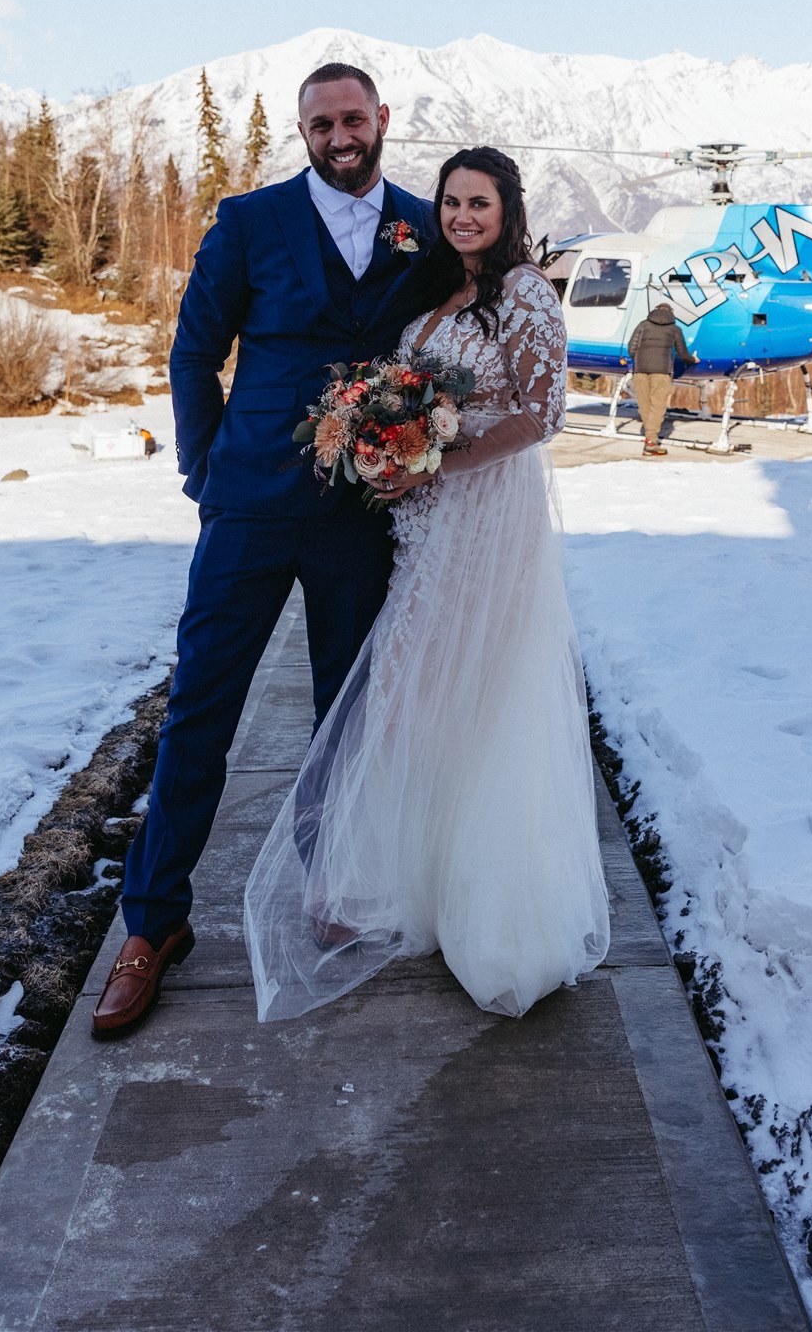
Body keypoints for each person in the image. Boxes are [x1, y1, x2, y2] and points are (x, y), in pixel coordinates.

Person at [93, 63, 436, 1040]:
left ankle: (331, 883)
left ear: (381, 120)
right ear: (302, 128)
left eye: (354, 117)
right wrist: (204, 473)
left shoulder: (418, 223)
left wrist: (416, 445)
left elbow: (434, 351)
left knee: (346, 711)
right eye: (322, 120)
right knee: (200, 708)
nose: (340, 133)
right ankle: (152, 928)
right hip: (245, 504)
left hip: (357, 514)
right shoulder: (247, 220)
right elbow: (193, 351)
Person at [243, 147, 610, 1020]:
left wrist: (438, 464)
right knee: (415, 683)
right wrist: (382, 438)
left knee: (460, 682)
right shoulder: (441, 287)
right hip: (426, 521)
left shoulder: (523, 293)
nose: (462, 216)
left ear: (507, 208)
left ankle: (486, 901)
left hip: (484, 514)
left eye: (478, 203)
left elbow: (541, 412)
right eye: (451, 202)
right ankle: (406, 875)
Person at [626, 301, 694, 456]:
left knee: (645, 405)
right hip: (661, 372)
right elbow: (683, 353)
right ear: (671, 313)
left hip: (640, 370)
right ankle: (651, 442)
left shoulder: (643, 325)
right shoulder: (675, 329)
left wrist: (639, 359)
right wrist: (692, 360)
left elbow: (631, 348)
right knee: (658, 406)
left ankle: (650, 437)